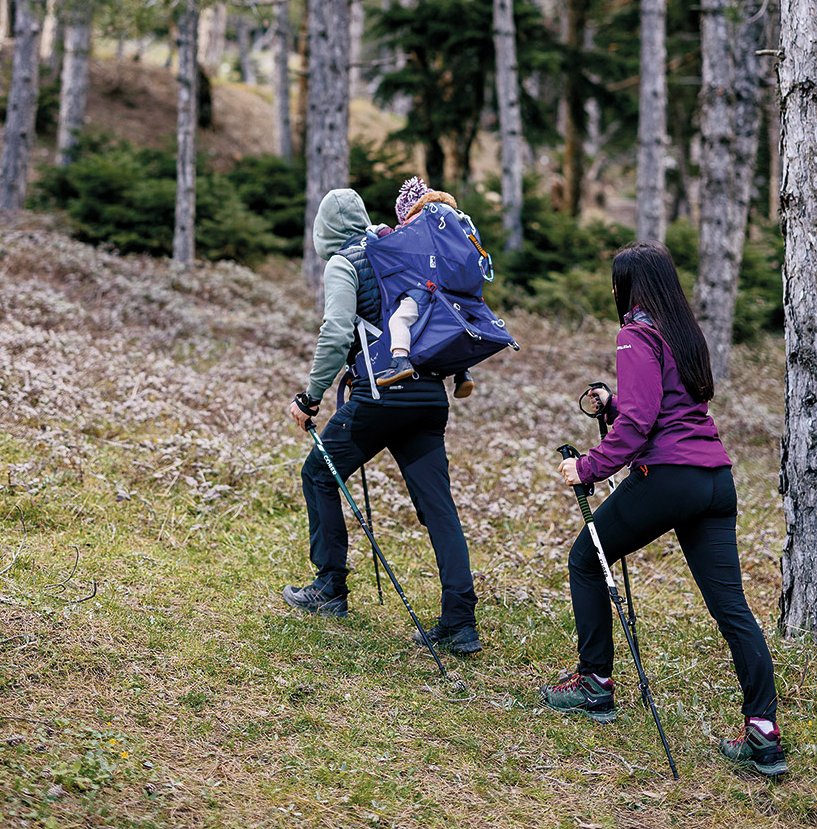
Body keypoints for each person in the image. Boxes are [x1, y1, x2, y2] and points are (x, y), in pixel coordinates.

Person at [541, 241, 786, 777]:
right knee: (733, 609)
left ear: (627, 286)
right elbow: (668, 405)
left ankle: (594, 683)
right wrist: (614, 402)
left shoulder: (635, 333)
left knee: (586, 559)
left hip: (668, 477)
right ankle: (764, 732)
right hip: (715, 480)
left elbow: (638, 425)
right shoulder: (684, 331)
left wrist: (587, 467)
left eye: (616, 282)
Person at [283, 186, 481, 654]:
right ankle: (460, 622)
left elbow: (336, 332)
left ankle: (329, 586)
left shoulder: (344, 262)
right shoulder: (397, 248)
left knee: (318, 473)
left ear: (325, 230)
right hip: (429, 395)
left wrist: (311, 398)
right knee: (439, 510)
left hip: (382, 395)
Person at [377, 177, 474, 400]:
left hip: (423, 290)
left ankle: (400, 360)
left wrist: (381, 232)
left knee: (399, 320)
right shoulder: (449, 229)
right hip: (454, 292)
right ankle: (463, 372)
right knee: (449, 329)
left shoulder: (415, 227)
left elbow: (394, 243)